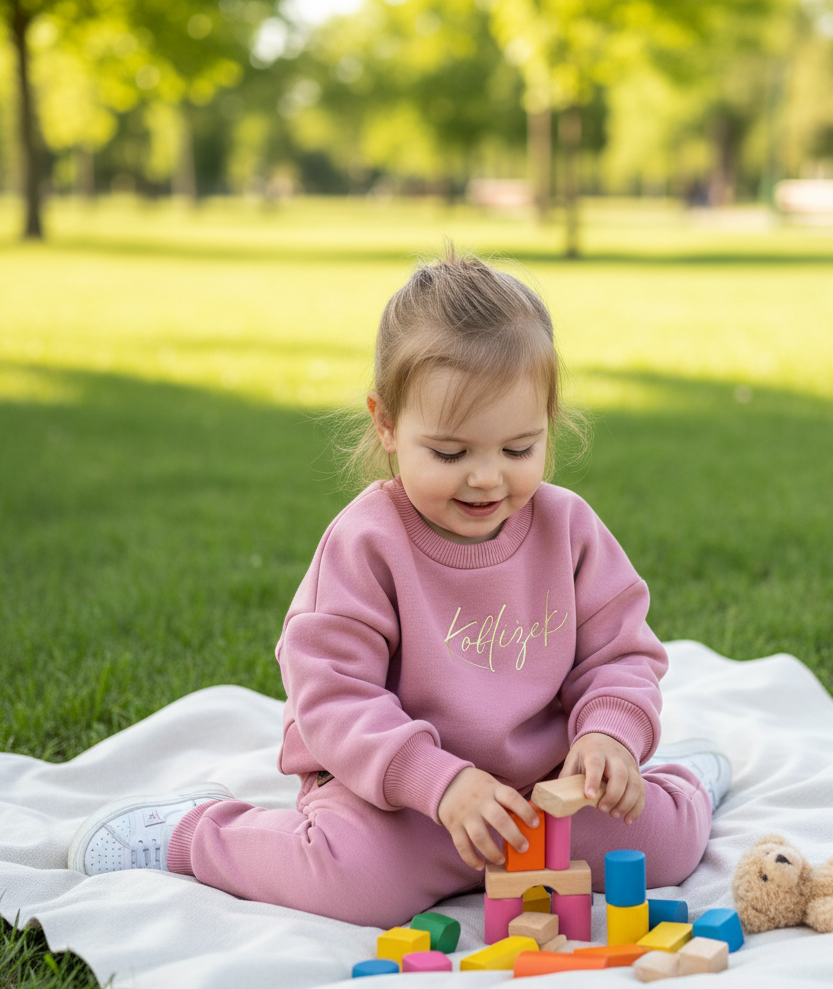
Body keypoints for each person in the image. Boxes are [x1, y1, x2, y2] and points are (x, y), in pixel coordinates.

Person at [68, 250, 730, 928]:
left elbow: (620, 653)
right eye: (450, 453)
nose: (486, 478)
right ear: (386, 423)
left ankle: (680, 787)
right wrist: (438, 782)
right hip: (401, 796)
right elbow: (332, 696)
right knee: (355, 885)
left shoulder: (569, 529)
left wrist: (610, 735)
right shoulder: (367, 543)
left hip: (540, 791)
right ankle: (195, 833)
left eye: (518, 449)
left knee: (665, 844)